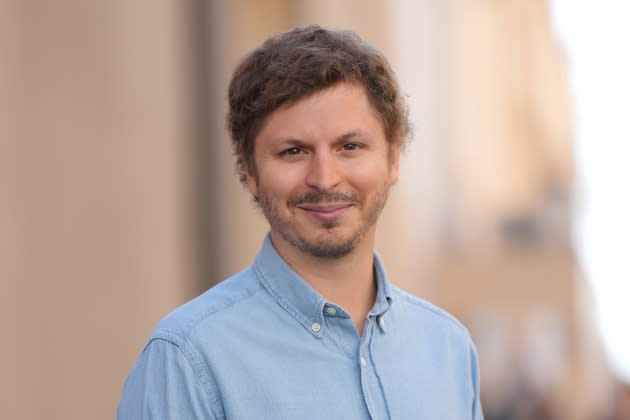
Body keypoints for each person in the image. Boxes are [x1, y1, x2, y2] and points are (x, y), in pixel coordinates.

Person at [118, 25, 483, 419]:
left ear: (393, 159)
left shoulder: (449, 349)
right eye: (293, 151)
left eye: (350, 146)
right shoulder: (188, 359)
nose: (324, 178)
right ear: (251, 171)